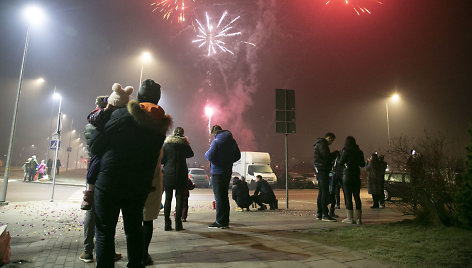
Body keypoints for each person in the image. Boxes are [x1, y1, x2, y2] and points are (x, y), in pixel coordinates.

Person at [89, 79, 171, 267]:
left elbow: (95, 145)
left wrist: (106, 113)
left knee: (104, 231)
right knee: (134, 230)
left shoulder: (121, 116)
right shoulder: (160, 128)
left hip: (109, 181)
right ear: (157, 100)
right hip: (138, 186)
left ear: (138, 97)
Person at [79, 84, 133, 263]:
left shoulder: (97, 121)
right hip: (99, 171)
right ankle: (89, 251)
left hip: (98, 171)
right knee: (95, 214)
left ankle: (96, 251)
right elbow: (96, 144)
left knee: (99, 215)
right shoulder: (98, 122)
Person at [205, 125, 241, 229]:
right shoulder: (232, 141)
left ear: (215, 133)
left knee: (219, 198)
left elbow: (209, 156)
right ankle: (225, 220)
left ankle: (220, 221)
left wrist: (207, 154)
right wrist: (228, 161)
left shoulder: (216, 142)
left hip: (217, 172)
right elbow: (238, 155)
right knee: (224, 197)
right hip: (227, 172)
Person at [162, 127, 194, 231]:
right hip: (181, 173)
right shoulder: (184, 145)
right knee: (179, 198)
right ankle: (178, 224)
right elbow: (191, 154)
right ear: (182, 134)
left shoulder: (166, 144)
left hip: (168, 173)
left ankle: (167, 224)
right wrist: (186, 142)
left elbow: (162, 160)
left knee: (168, 198)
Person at [142, 148, 164, 266]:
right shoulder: (156, 140)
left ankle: (136, 254)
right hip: (151, 185)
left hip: (132, 184)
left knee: (134, 222)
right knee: (147, 220)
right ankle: (143, 254)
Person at [337, 136, 365, 224]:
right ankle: (359, 219)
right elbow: (362, 164)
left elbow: (340, 163)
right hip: (356, 176)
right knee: (357, 197)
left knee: (348, 197)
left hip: (347, 176)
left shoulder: (345, 150)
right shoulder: (359, 152)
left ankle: (350, 218)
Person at [313, 132, 339, 222]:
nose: (331, 142)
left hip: (320, 170)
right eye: (331, 139)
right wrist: (335, 153)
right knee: (324, 192)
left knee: (321, 192)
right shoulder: (322, 145)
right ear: (327, 138)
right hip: (322, 170)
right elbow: (327, 157)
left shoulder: (319, 144)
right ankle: (325, 214)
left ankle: (320, 213)